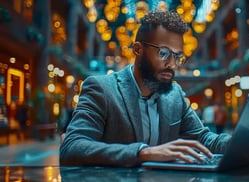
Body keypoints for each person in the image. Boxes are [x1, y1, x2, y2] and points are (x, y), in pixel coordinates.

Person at [59, 11, 231, 167]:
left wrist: (244, 142)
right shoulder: (101, 88)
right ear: (138, 49)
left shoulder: (174, 94)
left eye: (177, 56)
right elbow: (72, 146)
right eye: (163, 53)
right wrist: (143, 152)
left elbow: (204, 139)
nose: (172, 64)